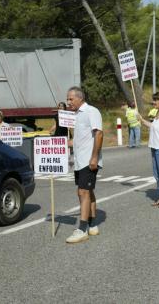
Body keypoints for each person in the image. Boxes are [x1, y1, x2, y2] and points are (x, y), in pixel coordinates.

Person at [65, 86, 103, 244]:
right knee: (88, 191)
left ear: (80, 98)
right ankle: (92, 224)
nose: (68, 102)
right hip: (80, 161)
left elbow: (99, 134)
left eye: (70, 99)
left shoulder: (91, 111)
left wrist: (94, 158)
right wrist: (65, 143)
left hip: (89, 160)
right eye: (67, 99)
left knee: (82, 192)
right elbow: (80, 139)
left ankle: (82, 229)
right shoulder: (76, 115)